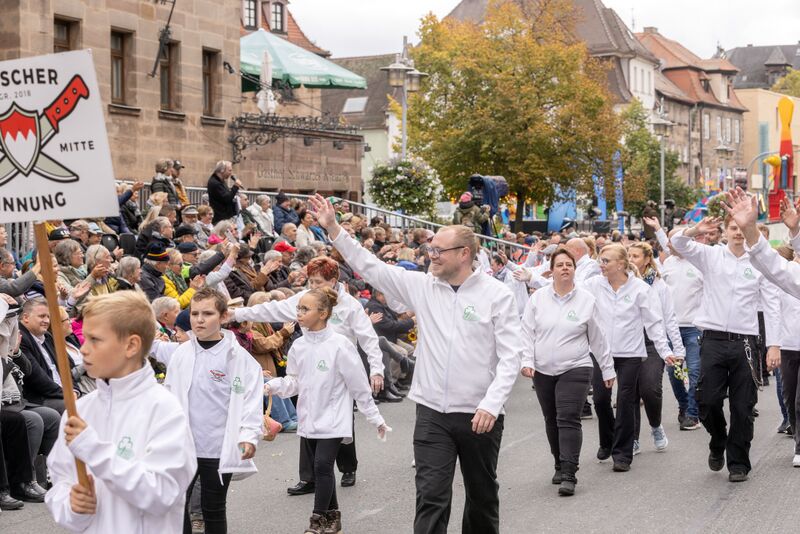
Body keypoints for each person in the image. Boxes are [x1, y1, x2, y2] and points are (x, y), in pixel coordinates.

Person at [308, 194, 522, 534]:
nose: (430, 256)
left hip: (479, 415)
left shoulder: (497, 295)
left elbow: (512, 356)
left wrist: (491, 404)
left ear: (464, 254)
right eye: (430, 249)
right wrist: (334, 229)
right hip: (432, 412)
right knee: (431, 496)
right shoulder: (423, 286)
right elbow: (371, 266)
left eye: (438, 251)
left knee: (481, 496)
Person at [45, 291, 197, 533]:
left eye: (94, 340)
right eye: (84, 339)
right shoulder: (80, 410)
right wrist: (72, 506)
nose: (83, 350)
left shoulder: (165, 410)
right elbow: (60, 482)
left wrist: (94, 449)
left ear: (131, 345)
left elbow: (161, 494)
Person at [233, 256, 386, 493]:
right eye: (310, 282)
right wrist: (238, 314)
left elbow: (368, 338)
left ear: (334, 281)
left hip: (340, 371)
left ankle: (347, 467)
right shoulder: (305, 298)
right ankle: (309, 478)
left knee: (341, 420)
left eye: (318, 282)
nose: (313, 287)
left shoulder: (350, 306)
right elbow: (272, 308)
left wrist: (376, 369)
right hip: (311, 365)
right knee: (307, 417)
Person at [266, 287, 388, 534]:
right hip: (309, 419)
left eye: (305, 309)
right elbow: (294, 382)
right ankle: (333, 517)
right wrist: (271, 386)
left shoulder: (340, 345)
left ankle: (317, 520)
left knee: (322, 466)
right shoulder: (298, 345)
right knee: (322, 470)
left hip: (334, 418)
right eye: (298, 308)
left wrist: (375, 418)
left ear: (323, 314)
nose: (298, 313)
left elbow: (358, 386)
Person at [670, 213, 781, 482]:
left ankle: (738, 462)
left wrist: (774, 345)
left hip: (745, 343)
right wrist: (695, 229)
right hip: (712, 340)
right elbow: (678, 243)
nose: (738, 233)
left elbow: (772, 305)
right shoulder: (711, 256)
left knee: (743, 407)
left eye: (743, 228)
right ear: (726, 231)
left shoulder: (759, 264)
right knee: (706, 400)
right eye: (733, 228)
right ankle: (718, 438)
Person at [164, 288, 262, 534]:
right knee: (176, 505)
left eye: (207, 313)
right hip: (183, 446)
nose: (199, 319)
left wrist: (249, 437)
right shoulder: (180, 355)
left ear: (223, 316)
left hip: (218, 447)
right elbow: (167, 399)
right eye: (194, 313)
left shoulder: (238, 359)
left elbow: (250, 402)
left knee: (213, 508)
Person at [520, 248, 615, 496]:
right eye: (559, 264)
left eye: (569, 264)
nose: (564, 268)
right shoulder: (538, 298)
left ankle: (570, 473)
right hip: (543, 369)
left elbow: (598, 338)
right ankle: (559, 463)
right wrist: (527, 360)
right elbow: (527, 333)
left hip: (576, 366)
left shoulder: (586, 300)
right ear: (551, 270)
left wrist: (607, 369)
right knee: (551, 419)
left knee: (568, 418)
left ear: (574, 269)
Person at [582, 244, 675, 472]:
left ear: (621, 265)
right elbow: (567, 290)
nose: (601, 265)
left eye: (606, 261)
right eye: (600, 260)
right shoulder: (593, 285)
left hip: (630, 354)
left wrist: (665, 351)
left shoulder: (640, 289)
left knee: (625, 401)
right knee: (601, 399)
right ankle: (607, 439)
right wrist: (532, 278)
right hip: (601, 352)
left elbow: (653, 323)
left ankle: (622, 454)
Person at [627, 242, 686, 454]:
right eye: (629, 255)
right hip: (629, 343)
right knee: (630, 392)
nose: (631, 259)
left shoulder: (659, 286)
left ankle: (655, 426)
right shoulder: (622, 283)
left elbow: (669, 319)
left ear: (646, 259)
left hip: (653, 343)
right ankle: (631, 438)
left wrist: (677, 350)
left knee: (650, 389)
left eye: (635, 256)